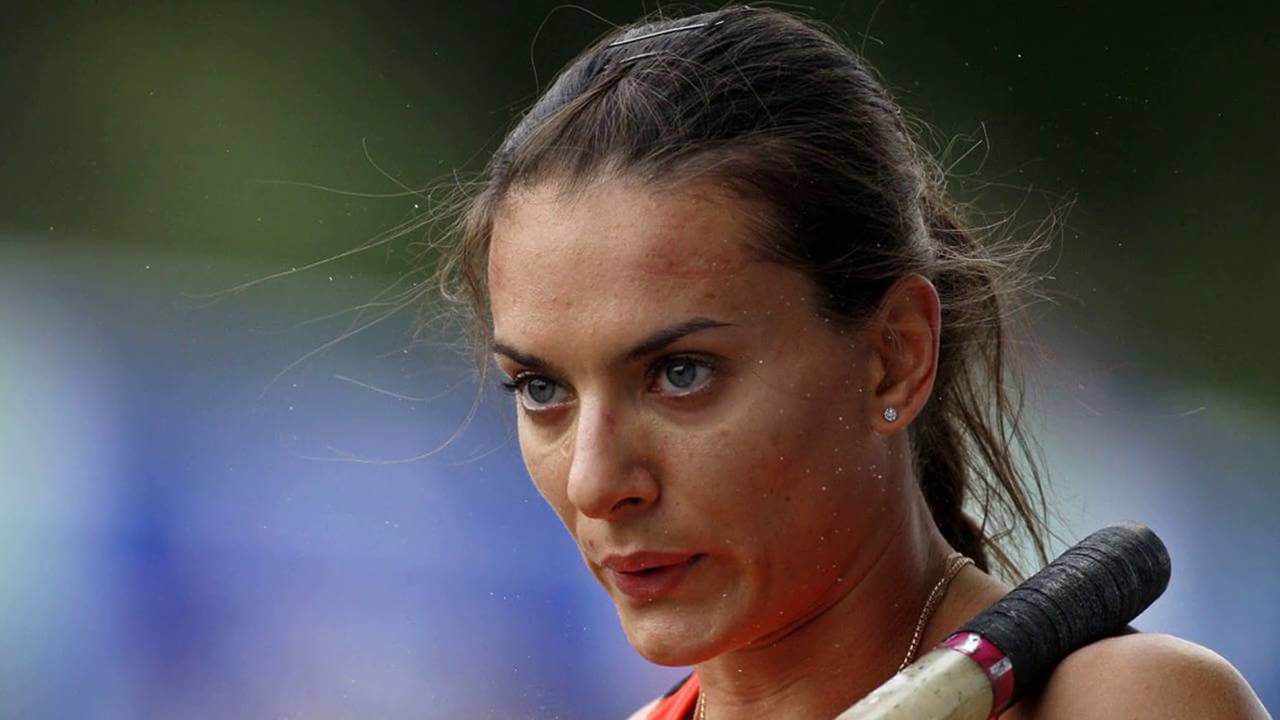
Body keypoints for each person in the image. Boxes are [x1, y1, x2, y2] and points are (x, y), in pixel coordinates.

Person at [425, 5, 1270, 719]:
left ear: (895, 357)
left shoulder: (1129, 704)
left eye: (682, 373)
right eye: (542, 389)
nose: (595, 481)